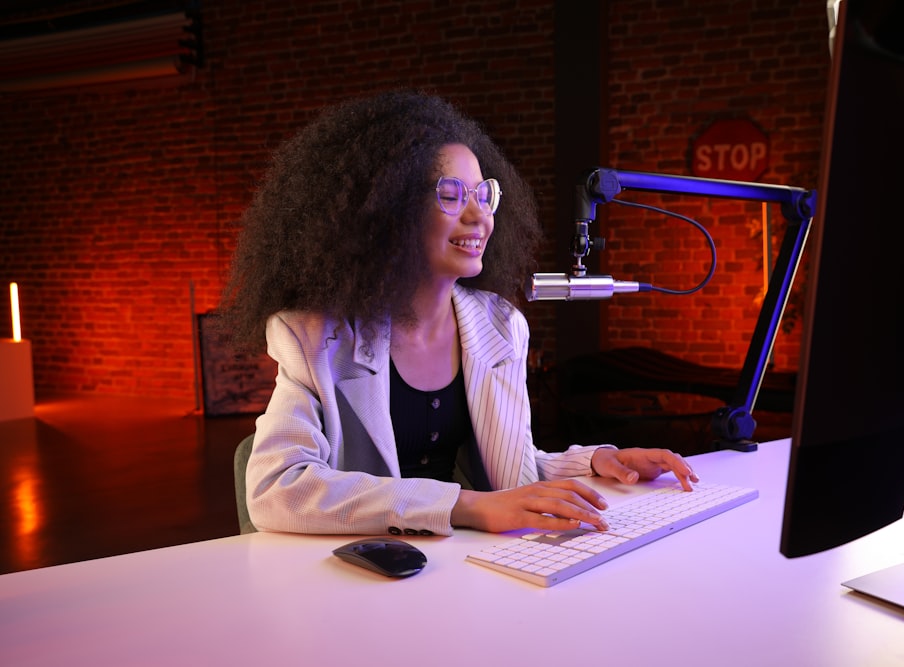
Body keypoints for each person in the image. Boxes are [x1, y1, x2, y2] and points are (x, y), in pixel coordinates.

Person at [219, 89, 699, 537]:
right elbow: (275, 489)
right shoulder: (316, 337)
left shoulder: (500, 327)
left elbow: (511, 468)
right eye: (451, 195)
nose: (479, 216)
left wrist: (602, 461)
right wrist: (464, 507)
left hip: (456, 570)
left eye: (483, 194)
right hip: (358, 582)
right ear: (387, 210)